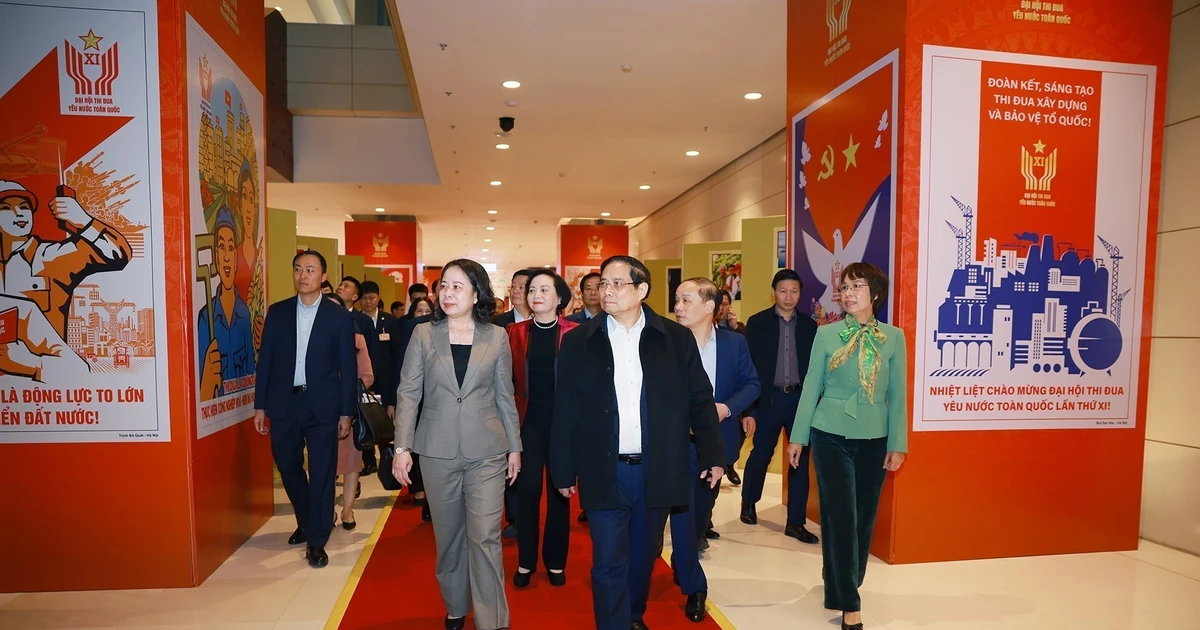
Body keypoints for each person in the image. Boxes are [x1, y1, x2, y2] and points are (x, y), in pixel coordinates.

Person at [550, 255, 724, 630]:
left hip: (657, 467)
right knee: (609, 561)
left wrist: (713, 454)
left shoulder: (674, 338)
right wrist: (563, 468)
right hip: (604, 467)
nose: (605, 291)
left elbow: (699, 398)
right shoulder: (579, 341)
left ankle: (631, 616)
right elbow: (564, 409)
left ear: (642, 290)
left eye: (616, 284)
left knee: (644, 555)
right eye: (603, 283)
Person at [393, 259, 522, 630]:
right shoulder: (423, 334)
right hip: (436, 450)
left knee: (485, 537)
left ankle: (492, 621)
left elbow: (505, 395)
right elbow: (408, 392)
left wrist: (515, 446)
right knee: (449, 537)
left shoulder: (497, 336)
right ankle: (455, 604)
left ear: (476, 293)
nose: (447, 293)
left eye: (457, 286)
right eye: (443, 286)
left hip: (488, 451)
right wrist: (402, 449)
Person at [788, 263, 907, 630]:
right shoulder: (827, 335)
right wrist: (798, 436)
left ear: (875, 293)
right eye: (845, 286)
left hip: (874, 437)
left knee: (863, 519)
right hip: (830, 433)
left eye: (858, 285)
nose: (849, 292)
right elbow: (811, 386)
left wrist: (898, 443)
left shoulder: (894, 337)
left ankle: (844, 579)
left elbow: (898, 394)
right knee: (839, 518)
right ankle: (848, 603)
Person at [666, 277, 760, 622]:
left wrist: (727, 408)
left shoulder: (734, 344)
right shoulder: (665, 342)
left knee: (700, 511)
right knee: (681, 511)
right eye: (676, 300)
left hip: (715, 442)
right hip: (673, 444)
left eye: (685, 300)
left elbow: (753, 384)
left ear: (710, 307)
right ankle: (696, 586)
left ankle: (685, 559)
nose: (677, 307)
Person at [254, 250, 356, 568]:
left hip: (323, 404)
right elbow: (266, 362)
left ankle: (316, 540)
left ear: (323, 276)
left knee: (323, 471)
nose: (303, 275)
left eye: (310, 269)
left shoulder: (338, 316)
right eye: (298, 269)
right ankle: (308, 519)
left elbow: (347, 368)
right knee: (287, 465)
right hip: (285, 403)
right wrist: (261, 405)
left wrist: (346, 412)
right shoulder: (278, 312)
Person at [508, 269, 578, 588]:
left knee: (559, 494)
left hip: (563, 425)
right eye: (532, 289)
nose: (536, 294)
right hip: (528, 424)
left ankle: (555, 561)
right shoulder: (515, 332)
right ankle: (525, 562)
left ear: (559, 298)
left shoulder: (575, 334)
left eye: (544, 289)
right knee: (527, 491)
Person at [740, 269, 820, 544]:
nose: (789, 296)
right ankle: (749, 501)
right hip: (768, 400)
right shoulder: (757, 323)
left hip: (800, 400)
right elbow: (747, 369)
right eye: (783, 291)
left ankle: (795, 522)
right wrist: (748, 411)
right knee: (761, 453)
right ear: (774, 291)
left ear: (800, 293)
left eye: (794, 291)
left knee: (799, 460)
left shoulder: (811, 327)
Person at [325, 293, 374, 529]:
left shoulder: (357, 340)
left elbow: (367, 375)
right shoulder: (311, 338)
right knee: (323, 463)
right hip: (321, 409)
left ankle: (347, 511)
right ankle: (326, 511)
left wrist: (346, 387)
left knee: (352, 463)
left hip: (348, 410)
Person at [196, 208, 255, 402]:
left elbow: (250, 371)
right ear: (215, 257)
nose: (227, 256)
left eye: (231, 247)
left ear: (237, 258)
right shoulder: (206, 318)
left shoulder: (244, 314)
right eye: (221, 247)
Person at [357, 280, 395, 474]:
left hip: (385, 380)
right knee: (364, 418)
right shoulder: (355, 320)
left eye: (371, 297)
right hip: (363, 380)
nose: (368, 301)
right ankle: (368, 460)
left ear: (378, 298)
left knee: (384, 420)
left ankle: (386, 458)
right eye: (364, 298)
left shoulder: (388, 321)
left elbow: (394, 353)